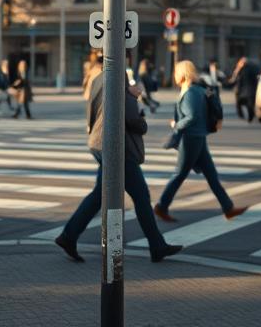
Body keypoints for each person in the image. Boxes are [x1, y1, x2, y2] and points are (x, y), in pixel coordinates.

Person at [54, 57, 183, 264]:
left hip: (99, 143)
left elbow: (92, 111)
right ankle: (157, 246)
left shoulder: (98, 78)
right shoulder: (118, 75)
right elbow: (131, 117)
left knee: (99, 195)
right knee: (141, 196)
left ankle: (68, 236)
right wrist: (135, 103)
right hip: (116, 148)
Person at [154, 60, 248, 223]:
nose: (174, 75)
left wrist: (176, 124)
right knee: (202, 175)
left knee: (185, 174)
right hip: (196, 136)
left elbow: (191, 116)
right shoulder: (195, 89)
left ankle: (228, 208)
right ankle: (227, 208)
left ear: (182, 73)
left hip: (192, 138)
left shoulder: (190, 92)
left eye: (176, 72)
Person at [228, 56, 261, 123]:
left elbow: (234, 79)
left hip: (245, 90)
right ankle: (248, 116)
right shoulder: (248, 69)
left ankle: (247, 116)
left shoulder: (243, 69)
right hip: (246, 91)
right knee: (245, 104)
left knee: (246, 105)